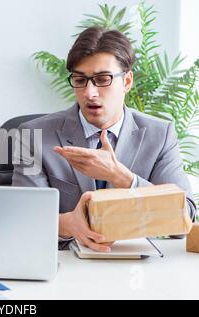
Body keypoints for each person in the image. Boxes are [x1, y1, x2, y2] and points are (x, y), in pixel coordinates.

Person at [12, 27, 197, 252]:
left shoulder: (160, 135)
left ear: (127, 81)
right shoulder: (33, 136)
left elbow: (184, 218)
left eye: (102, 79)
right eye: (80, 80)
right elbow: (23, 220)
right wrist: (66, 224)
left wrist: (122, 178)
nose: (89, 92)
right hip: (66, 268)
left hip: (137, 271)